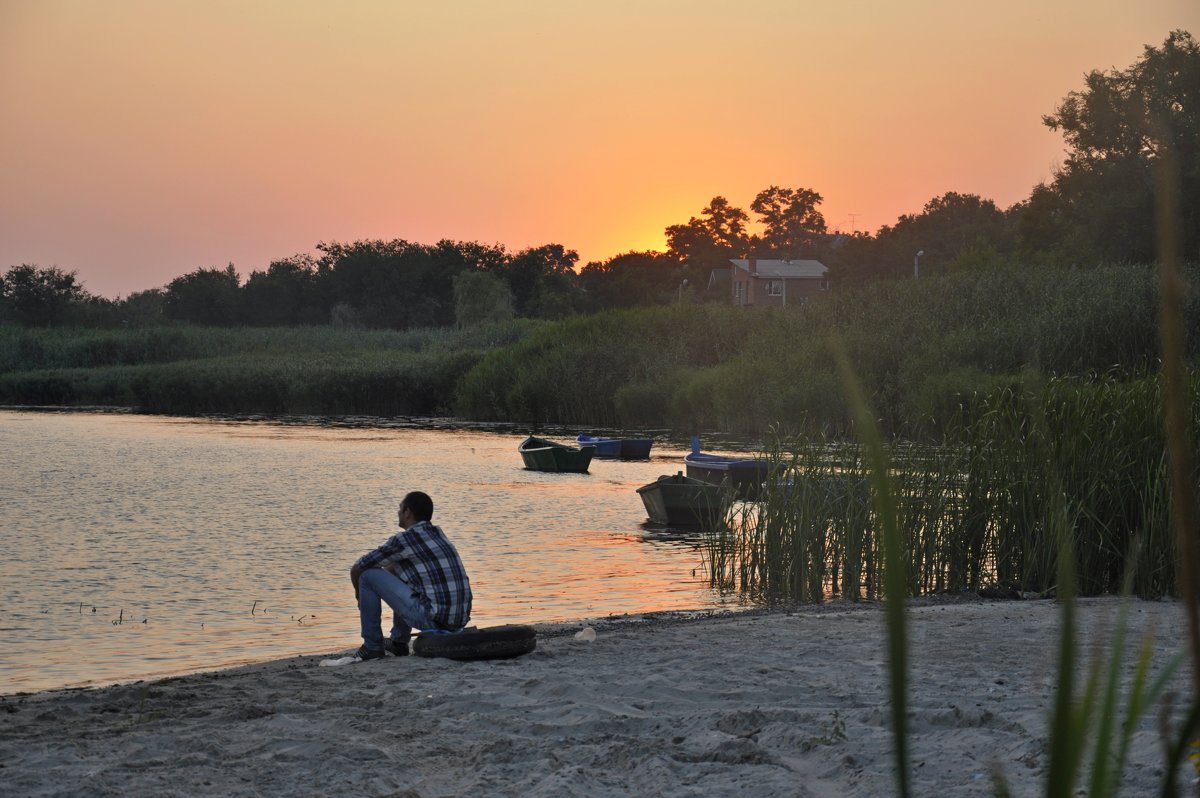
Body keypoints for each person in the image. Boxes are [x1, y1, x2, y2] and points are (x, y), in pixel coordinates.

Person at [350, 491, 472, 660]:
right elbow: (394, 569)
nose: (398, 512)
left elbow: (358, 567)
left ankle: (372, 647)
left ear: (408, 512)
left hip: (433, 619)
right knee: (398, 570)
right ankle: (399, 642)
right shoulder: (437, 533)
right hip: (458, 620)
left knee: (367, 576)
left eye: (400, 508)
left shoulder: (404, 540)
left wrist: (359, 596)